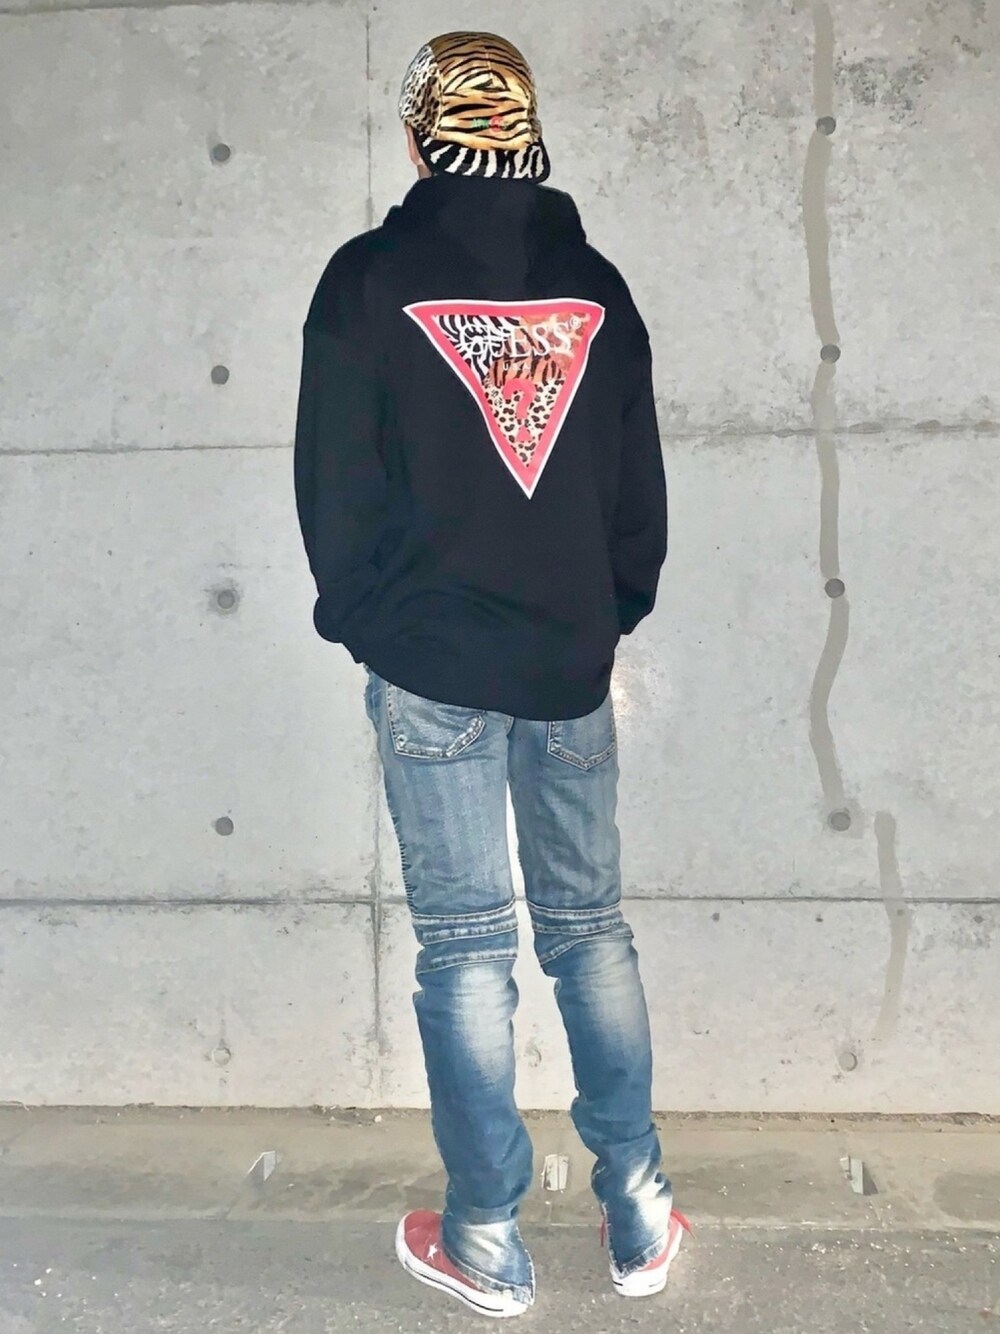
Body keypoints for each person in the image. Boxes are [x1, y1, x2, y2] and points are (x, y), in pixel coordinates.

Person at [294, 30, 682, 1318]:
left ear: (422, 138)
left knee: (466, 950)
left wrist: (371, 623)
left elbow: (334, 482)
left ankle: (486, 1239)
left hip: (434, 665)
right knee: (591, 930)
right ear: (526, 133)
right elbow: (636, 483)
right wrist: (604, 614)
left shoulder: (369, 280)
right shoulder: (596, 286)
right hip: (570, 666)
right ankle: (639, 1212)